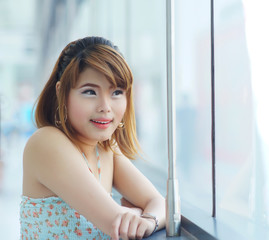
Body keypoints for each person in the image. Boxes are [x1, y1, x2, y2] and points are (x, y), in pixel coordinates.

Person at [20, 36, 165, 240]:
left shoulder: (105, 149)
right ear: (62, 92)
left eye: (116, 92)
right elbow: (117, 223)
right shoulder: (46, 142)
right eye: (90, 92)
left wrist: (148, 220)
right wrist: (136, 214)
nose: (105, 106)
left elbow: (161, 204)